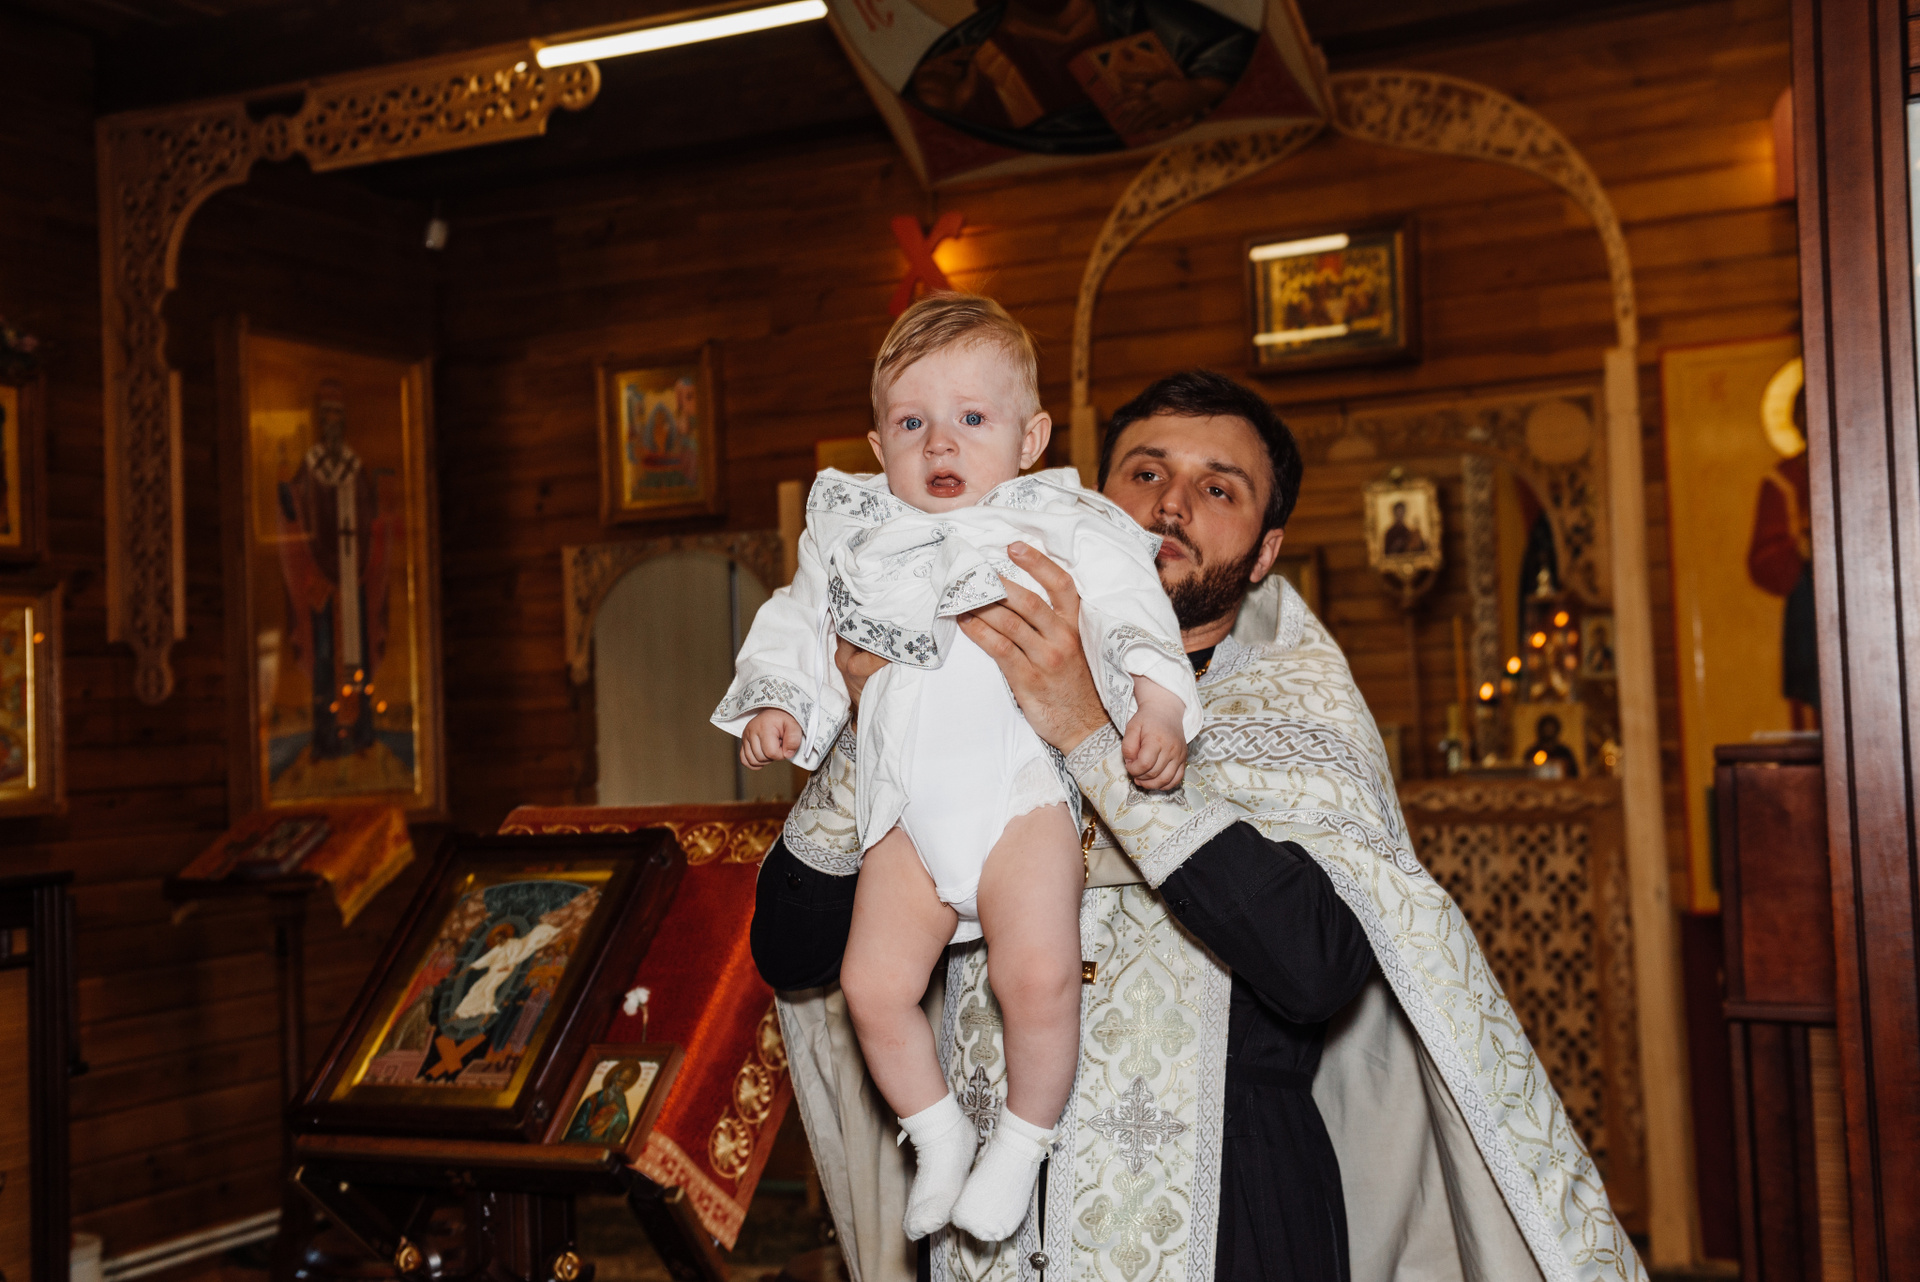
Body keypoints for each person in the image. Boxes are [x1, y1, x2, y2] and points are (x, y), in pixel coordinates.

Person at [756, 369, 1648, 1282]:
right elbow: (793, 955)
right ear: (1088, 498)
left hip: (1234, 1230)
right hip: (986, 1246)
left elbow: (1316, 965)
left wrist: (1089, 734)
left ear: (1265, 553)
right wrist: (871, 725)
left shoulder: (1298, 710)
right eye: (1145, 474)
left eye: (1218, 489)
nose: (1170, 505)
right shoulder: (964, 668)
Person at [713, 294, 1200, 1243]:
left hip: (1021, 802)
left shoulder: (1062, 521)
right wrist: (784, 702)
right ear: (877, 444)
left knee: (1039, 977)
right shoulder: (856, 531)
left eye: (972, 418)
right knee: (872, 986)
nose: (940, 443)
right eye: (911, 424)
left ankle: (1020, 1143)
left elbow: (1131, 609)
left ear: (1030, 438)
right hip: (904, 811)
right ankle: (938, 1135)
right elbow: (799, 618)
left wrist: (1160, 705)